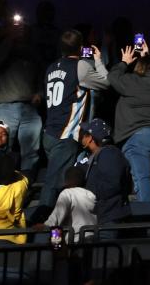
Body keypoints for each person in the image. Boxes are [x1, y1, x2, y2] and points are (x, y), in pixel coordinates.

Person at [35, 30, 109, 219]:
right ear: (80, 46)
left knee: (70, 179)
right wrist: (98, 60)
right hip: (65, 134)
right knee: (54, 183)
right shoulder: (80, 65)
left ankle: (64, 221)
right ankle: (41, 222)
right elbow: (106, 82)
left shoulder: (51, 67)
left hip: (49, 133)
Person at [110, 44, 150, 202]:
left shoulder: (134, 82)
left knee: (143, 181)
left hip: (139, 139)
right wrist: (147, 56)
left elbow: (112, 77)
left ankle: (149, 222)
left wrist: (124, 62)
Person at [0, 18, 44, 178]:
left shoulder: (33, 52)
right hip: (6, 106)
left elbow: (42, 76)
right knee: (1, 147)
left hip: (30, 108)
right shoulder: (3, 48)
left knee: (31, 152)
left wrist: (40, 93)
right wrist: (10, 38)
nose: (20, 31)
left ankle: (25, 187)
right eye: (16, 28)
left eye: (23, 28)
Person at [79, 119, 131, 228]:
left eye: (84, 134)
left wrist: (87, 196)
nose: (81, 137)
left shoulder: (109, 153)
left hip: (108, 218)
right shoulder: (94, 156)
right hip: (97, 217)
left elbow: (111, 184)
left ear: (90, 138)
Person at [32, 166, 96, 241]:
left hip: (76, 240)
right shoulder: (91, 195)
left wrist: (45, 225)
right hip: (92, 238)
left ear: (66, 180)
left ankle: (56, 250)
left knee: (55, 234)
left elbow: (57, 216)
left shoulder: (67, 193)